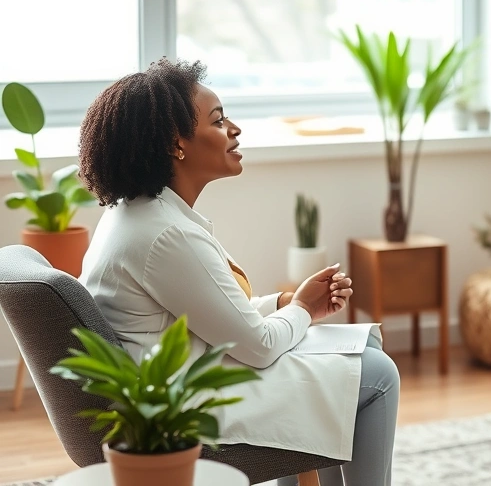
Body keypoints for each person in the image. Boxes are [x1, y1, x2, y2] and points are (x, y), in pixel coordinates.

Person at [78, 59, 399, 486]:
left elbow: (214, 317)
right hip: (186, 408)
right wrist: (302, 308)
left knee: (354, 359)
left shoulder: (138, 215)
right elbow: (260, 346)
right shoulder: (165, 235)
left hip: (176, 385)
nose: (235, 129)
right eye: (218, 120)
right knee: (376, 374)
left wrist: (285, 303)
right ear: (177, 142)